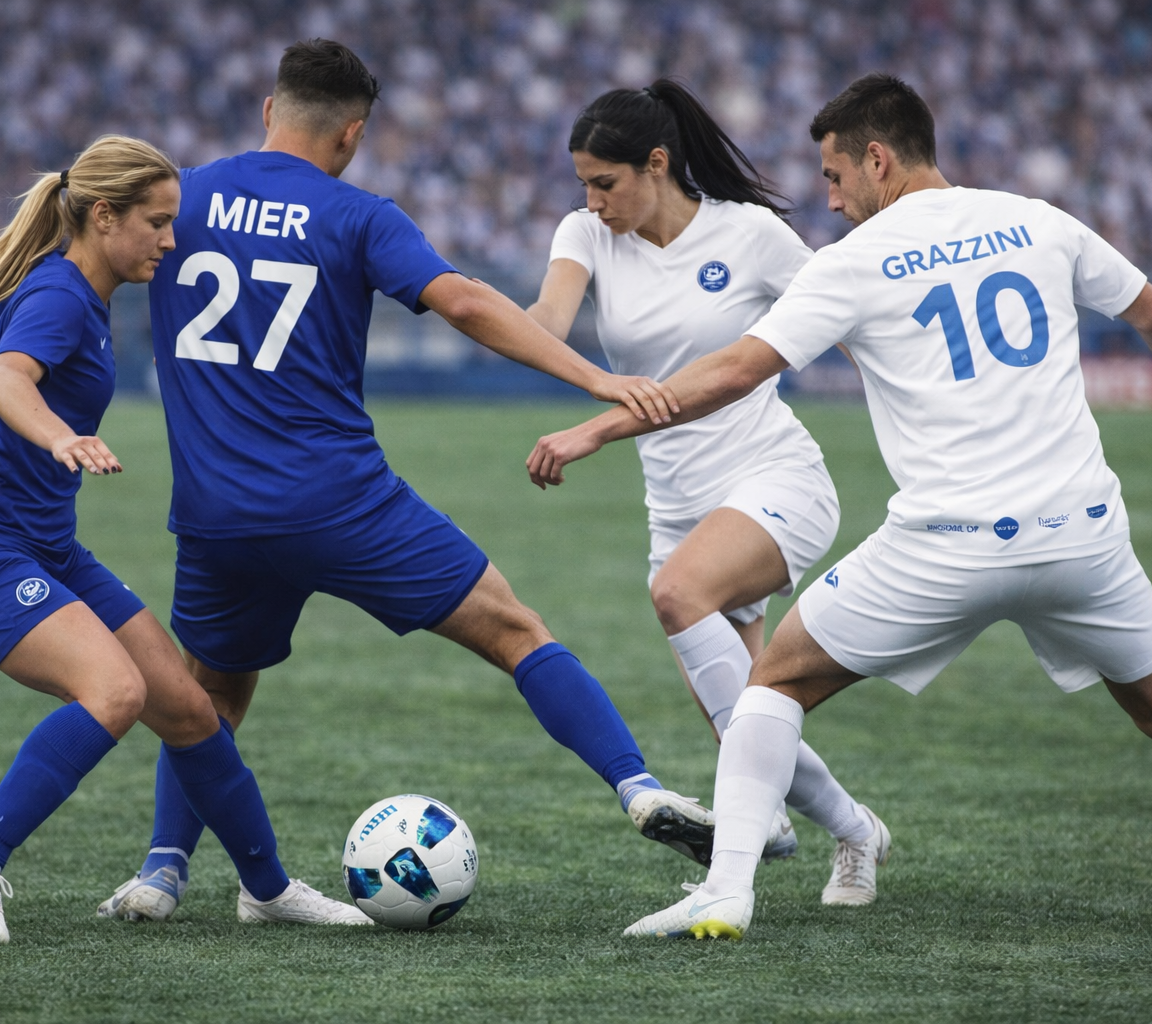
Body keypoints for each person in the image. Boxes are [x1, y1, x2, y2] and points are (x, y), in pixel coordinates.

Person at [525, 73, 1152, 940]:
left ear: (877, 159)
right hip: (1082, 536)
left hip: (943, 543)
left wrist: (594, 431)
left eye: (837, 179)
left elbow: (733, 371)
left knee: (773, 684)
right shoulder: (1039, 219)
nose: (832, 203)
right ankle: (840, 835)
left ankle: (728, 890)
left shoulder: (852, 263)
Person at [96, 39, 709, 924]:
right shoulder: (357, 213)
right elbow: (461, 300)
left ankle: (161, 875)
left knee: (209, 699)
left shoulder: (174, 196)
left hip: (217, 512)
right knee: (515, 631)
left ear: (269, 111)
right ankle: (638, 787)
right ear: (351, 134)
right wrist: (598, 378)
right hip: (341, 500)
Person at [0, 134, 373, 944]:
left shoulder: (65, 290)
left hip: (47, 546)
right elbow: (9, 379)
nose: (170, 239)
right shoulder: (58, 297)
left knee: (190, 711)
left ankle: (266, 888)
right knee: (117, 695)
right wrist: (57, 437)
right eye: (158, 223)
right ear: (103, 216)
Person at [522, 79, 888, 906]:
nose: (591, 199)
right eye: (582, 182)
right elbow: (547, 317)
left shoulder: (752, 235)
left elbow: (850, 320)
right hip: (678, 508)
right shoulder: (586, 232)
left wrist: (919, 414)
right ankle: (856, 832)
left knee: (678, 593)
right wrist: (468, 309)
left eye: (605, 181)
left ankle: (756, 841)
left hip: (774, 479)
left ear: (657, 164)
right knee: (758, 716)